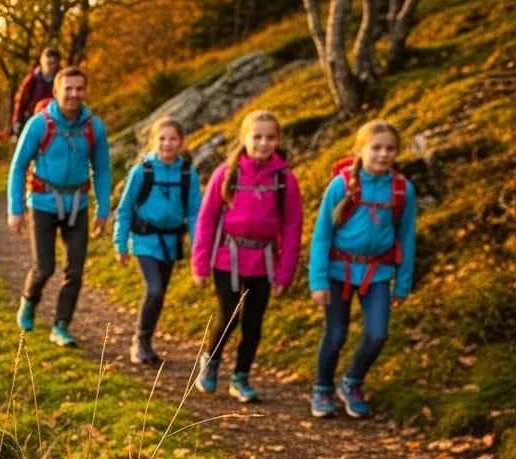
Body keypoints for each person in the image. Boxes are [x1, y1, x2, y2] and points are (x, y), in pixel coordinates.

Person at [307, 121, 417, 419]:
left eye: (390, 149)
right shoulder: (342, 185)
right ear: (360, 150)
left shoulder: (402, 190)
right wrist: (317, 281)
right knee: (336, 334)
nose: (383, 154)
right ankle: (322, 389)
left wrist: (402, 284)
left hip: (378, 273)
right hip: (336, 272)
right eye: (376, 147)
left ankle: (351, 382)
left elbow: (406, 237)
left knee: (377, 334)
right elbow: (322, 234)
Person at [191, 110, 303, 402]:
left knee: (254, 322)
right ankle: (211, 362)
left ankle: (241, 377)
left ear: (277, 140)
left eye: (270, 137)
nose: (263, 143)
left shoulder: (285, 180)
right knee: (230, 315)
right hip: (227, 258)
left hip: (264, 262)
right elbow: (206, 219)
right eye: (257, 137)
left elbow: (292, 227)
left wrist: (285, 273)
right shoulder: (226, 174)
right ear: (244, 138)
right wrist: (200, 264)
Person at [7, 65, 111, 347]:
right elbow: (18, 167)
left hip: (78, 204)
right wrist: (15, 209)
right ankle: (29, 300)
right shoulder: (39, 124)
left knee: (75, 271)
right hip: (42, 203)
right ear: (56, 91)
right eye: (69, 89)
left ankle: (61, 326)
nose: (74, 94)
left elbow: (102, 169)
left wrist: (103, 209)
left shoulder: (93, 127)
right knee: (45, 267)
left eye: (79, 89)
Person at [114, 117, 202, 364]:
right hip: (144, 240)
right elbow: (125, 209)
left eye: (173, 139)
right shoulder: (141, 171)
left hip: (171, 241)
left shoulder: (187, 174)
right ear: (153, 141)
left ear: (181, 142)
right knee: (154, 289)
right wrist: (120, 244)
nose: (167, 144)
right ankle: (140, 342)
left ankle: (146, 341)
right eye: (162, 138)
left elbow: (195, 212)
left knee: (160, 293)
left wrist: (198, 247)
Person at [12, 47, 62, 136]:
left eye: (53, 63)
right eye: (48, 63)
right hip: (32, 118)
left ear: (57, 63)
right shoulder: (32, 79)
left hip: (54, 120)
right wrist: (17, 120)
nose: (50, 66)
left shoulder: (61, 80)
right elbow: (21, 100)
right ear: (42, 62)